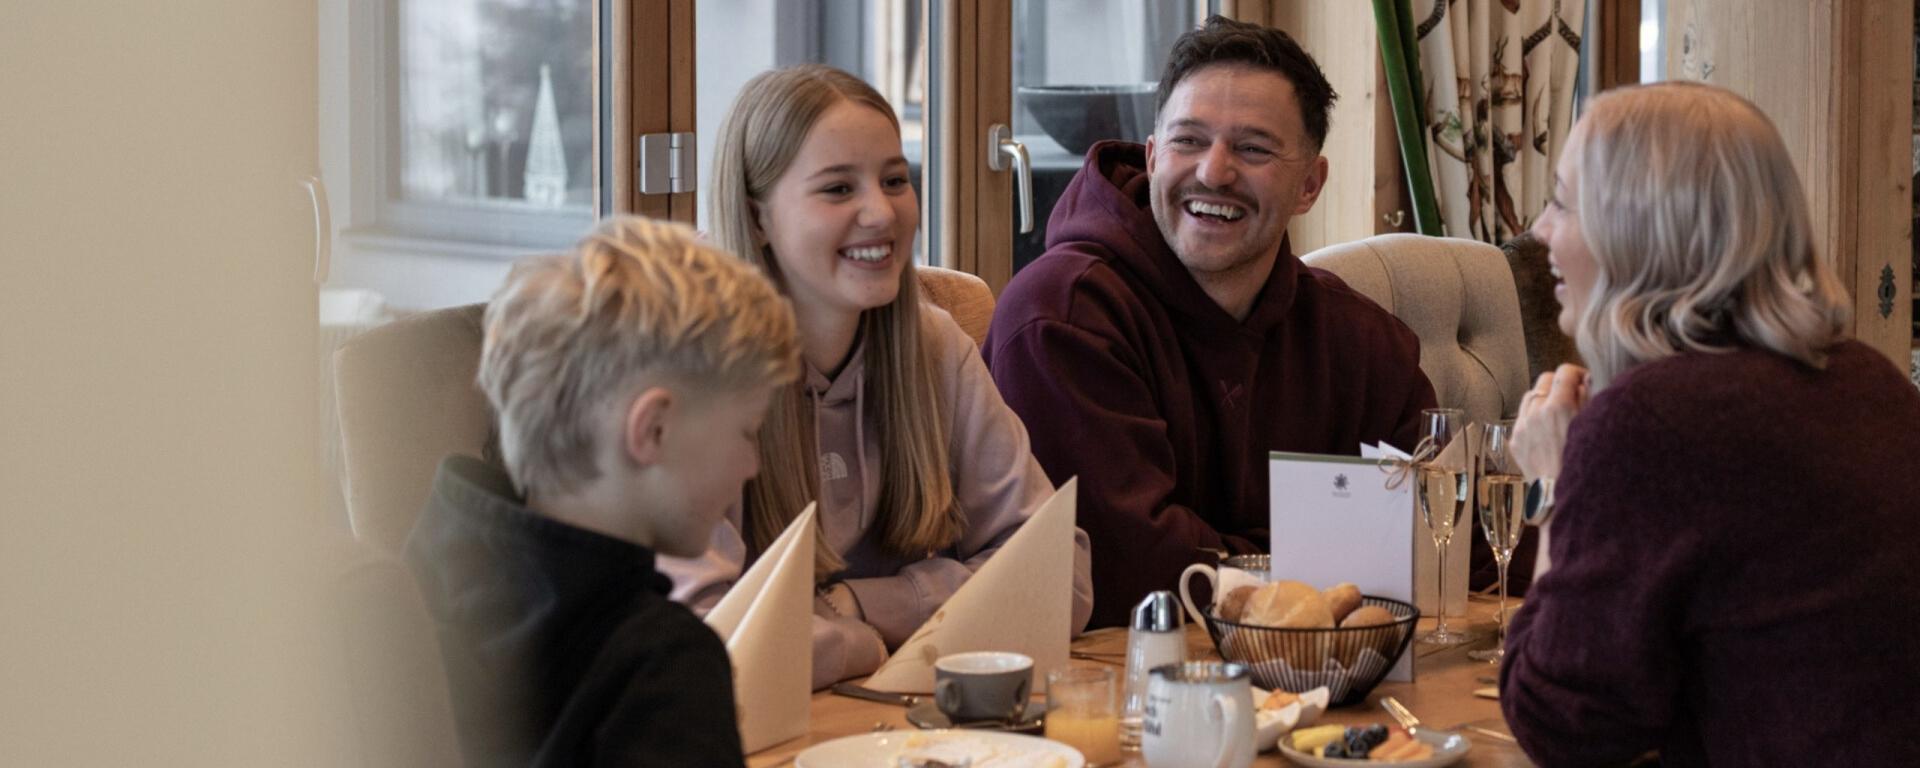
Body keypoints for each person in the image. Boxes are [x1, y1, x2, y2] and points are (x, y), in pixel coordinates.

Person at [1500, 82, 1920, 766]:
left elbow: (1562, 726)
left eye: (1561, 203)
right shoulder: (1869, 380)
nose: (1540, 230)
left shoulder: (1648, 423)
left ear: (1635, 233)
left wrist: (1552, 481)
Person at [983, 16, 1436, 627]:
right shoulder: (1060, 316)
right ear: (1151, 155)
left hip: (1324, 691)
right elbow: (1128, 573)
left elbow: (1436, 544)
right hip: (1118, 695)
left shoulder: (1363, 341)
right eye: (1189, 141)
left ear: (1310, 185)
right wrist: (1323, 561)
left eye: (1252, 148)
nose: (1213, 172)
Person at [662, 64, 1094, 688]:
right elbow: (706, 647)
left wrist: (853, 608)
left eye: (895, 180)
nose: (880, 213)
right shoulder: (696, 370)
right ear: (757, 220)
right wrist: (860, 647)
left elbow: (1060, 581)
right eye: (838, 189)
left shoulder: (935, 344)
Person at [406, 216, 799, 767]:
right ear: (653, 429)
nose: (752, 466)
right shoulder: (664, 667)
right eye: (746, 432)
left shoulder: (421, 583)